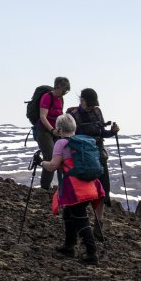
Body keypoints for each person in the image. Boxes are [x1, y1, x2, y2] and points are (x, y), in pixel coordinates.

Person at [38, 113, 104, 265]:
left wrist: (40, 162)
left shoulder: (61, 143)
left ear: (59, 129)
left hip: (76, 188)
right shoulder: (82, 141)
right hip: (91, 185)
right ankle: (69, 246)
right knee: (69, 213)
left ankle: (91, 254)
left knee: (80, 218)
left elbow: (53, 166)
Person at [67, 88, 119, 204]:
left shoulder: (97, 112)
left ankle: (103, 207)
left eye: (93, 105)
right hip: (83, 155)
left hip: (98, 152)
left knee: (104, 184)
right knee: (87, 184)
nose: (91, 107)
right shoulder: (72, 115)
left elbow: (102, 132)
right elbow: (70, 137)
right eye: (89, 104)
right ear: (82, 100)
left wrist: (112, 132)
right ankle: (86, 206)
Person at [34, 76, 70, 191]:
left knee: (60, 156)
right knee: (50, 156)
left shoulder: (60, 99)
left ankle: (62, 186)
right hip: (44, 130)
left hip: (56, 131)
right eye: (63, 91)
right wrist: (52, 130)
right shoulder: (47, 97)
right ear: (57, 87)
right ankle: (45, 187)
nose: (64, 94)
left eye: (66, 92)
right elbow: (43, 117)